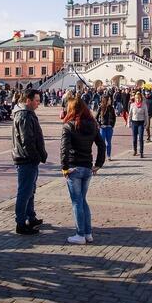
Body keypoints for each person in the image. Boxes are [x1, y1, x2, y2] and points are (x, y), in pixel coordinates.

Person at [60, 96, 106, 245]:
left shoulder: (69, 125)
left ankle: (80, 234)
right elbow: (101, 145)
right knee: (83, 201)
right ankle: (88, 233)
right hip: (87, 167)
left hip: (74, 168)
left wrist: (64, 167)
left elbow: (64, 148)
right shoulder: (92, 124)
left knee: (77, 202)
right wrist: (99, 163)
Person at [11, 88, 47, 235]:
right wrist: (36, 156)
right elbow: (27, 140)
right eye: (36, 101)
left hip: (28, 157)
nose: (39, 103)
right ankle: (20, 223)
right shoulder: (24, 115)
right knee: (25, 192)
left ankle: (31, 217)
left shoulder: (27, 114)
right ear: (28, 101)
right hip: (26, 158)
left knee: (30, 190)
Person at [95, 95, 116, 160]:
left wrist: (112, 125)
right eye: (109, 99)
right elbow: (96, 117)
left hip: (109, 127)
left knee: (108, 142)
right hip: (102, 128)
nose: (110, 100)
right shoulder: (100, 107)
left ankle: (108, 155)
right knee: (102, 142)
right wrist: (99, 124)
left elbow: (114, 118)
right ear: (106, 100)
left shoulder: (111, 108)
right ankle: (101, 156)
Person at [128, 91, 147, 156]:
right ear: (135, 99)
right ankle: (135, 150)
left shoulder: (144, 105)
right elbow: (130, 114)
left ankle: (141, 152)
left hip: (141, 123)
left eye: (139, 98)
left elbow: (146, 115)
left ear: (141, 98)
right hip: (134, 122)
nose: (138, 99)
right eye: (136, 98)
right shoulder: (132, 105)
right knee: (134, 138)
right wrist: (128, 123)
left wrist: (146, 123)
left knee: (141, 138)